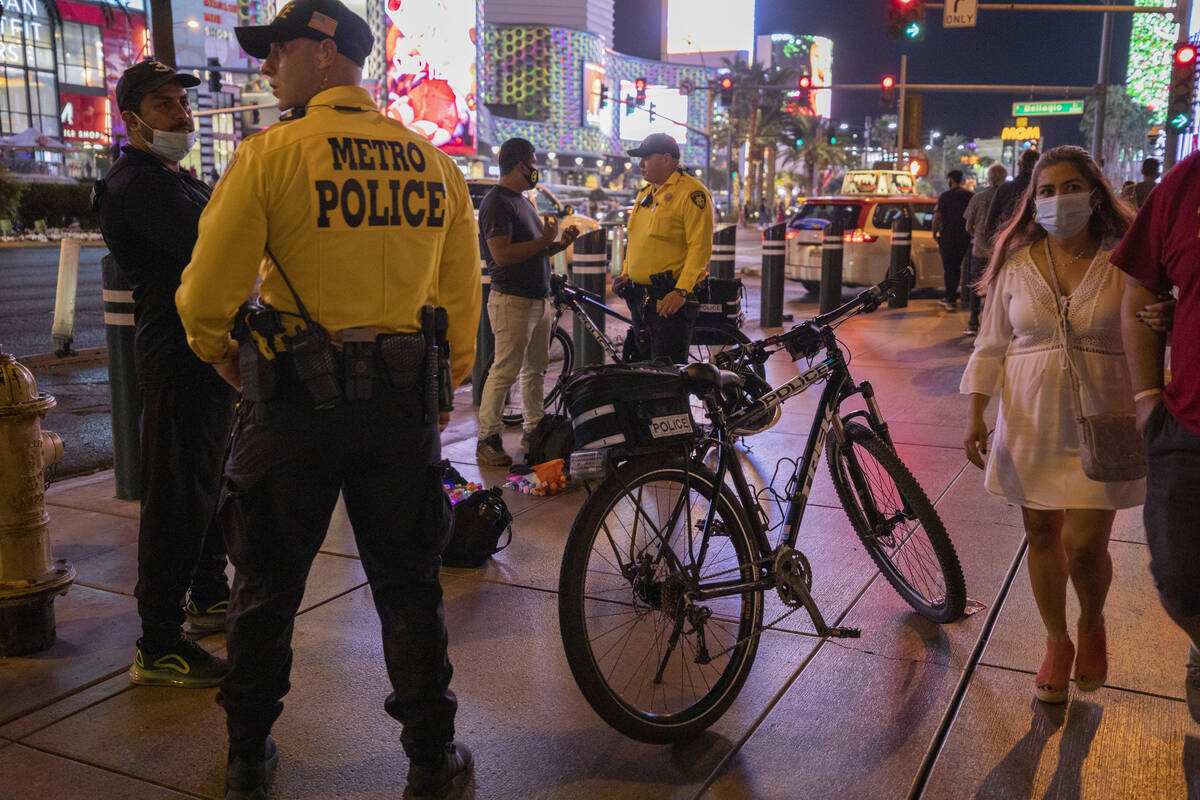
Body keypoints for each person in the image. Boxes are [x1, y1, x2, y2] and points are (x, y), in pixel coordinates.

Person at [175, 0, 481, 796]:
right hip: (399, 409)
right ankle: (429, 759)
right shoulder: (434, 165)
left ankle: (247, 756)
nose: (265, 66)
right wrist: (439, 389)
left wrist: (223, 358)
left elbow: (207, 294)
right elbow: (460, 304)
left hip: (291, 409)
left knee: (266, 583)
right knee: (409, 585)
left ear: (321, 51)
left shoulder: (272, 156)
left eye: (274, 51)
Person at [961, 145, 1143, 706]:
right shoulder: (1016, 265)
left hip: (1101, 419)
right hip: (1030, 418)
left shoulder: (1125, 261)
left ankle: (1091, 622)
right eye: (1045, 190)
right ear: (1030, 200)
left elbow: (1159, 320)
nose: (1057, 199)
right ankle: (1057, 641)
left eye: (1069, 187)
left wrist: (1165, 313)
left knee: (1085, 543)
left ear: (1094, 193)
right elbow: (991, 344)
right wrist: (975, 412)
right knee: (1042, 534)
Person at [93, 59, 235, 689]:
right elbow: (215, 248)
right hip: (176, 360)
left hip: (204, 358)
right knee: (177, 496)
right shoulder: (138, 185)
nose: (181, 113)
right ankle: (158, 642)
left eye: (182, 102)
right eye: (163, 105)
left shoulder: (175, 178)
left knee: (205, 482)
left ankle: (208, 594)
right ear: (131, 121)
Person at [1110, 150, 1200, 723]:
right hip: (1187, 427)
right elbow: (1141, 288)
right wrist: (1146, 401)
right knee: (1178, 576)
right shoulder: (1187, 182)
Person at [475, 137, 578, 467]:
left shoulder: (524, 201)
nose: (536, 169)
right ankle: (487, 438)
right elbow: (501, 255)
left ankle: (534, 428)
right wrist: (544, 242)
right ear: (520, 165)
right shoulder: (497, 203)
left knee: (535, 370)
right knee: (504, 371)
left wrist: (558, 243)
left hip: (537, 300)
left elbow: (535, 251)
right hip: (512, 301)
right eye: (533, 163)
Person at [613, 133, 713, 363]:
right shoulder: (645, 195)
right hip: (640, 299)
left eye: (646, 158)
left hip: (669, 298)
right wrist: (627, 274)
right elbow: (635, 240)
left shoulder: (691, 193)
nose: (641, 164)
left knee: (668, 378)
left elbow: (700, 247)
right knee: (643, 374)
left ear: (667, 159)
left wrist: (681, 291)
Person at [961, 162, 1008, 336]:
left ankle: (973, 323)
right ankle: (993, 326)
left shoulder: (978, 198)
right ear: (1004, 178)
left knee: (976, 286)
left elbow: (968, 226)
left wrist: (977, 234)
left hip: (979, 250)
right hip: (1001, 252)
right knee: (998, 289)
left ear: (988, 178)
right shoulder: (1007, 198)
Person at [982, 148, 1040, 257]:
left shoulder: (1005, 188)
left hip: (1008, 245)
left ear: (1019, 165)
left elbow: (991, 221)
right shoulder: (1041, 190)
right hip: (1035, 247)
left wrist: (994, 246)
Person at [932, 169, 974, 311]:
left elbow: (937, 217)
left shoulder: (945, 196)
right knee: (958, 267)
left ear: (950, 179)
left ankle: (950, 298)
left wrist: (934, 232)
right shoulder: (969, 196)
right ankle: (957, 297)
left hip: (948, 237)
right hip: (964, 237)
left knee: (950, 268)